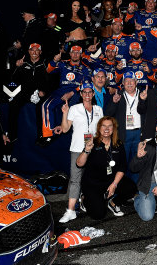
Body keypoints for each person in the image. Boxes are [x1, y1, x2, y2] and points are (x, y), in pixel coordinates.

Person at [57, 81, 104, 223]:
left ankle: (87, 201)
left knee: (93, 178)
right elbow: (65, 129)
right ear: (81, 94)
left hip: (95, 149)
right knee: (75, 180)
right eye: (85, 92)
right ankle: (71, 210)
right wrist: (64, 114)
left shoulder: (98, 109)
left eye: (90, 92)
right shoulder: (74, 108)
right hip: (78, 149)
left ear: (93, 94)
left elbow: (101, 130)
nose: (88, 95)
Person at [76, 116, 136, 219]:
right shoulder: (92, 143)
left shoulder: (118, 144)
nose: (106, 129)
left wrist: (114, 184)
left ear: (113, 129)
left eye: (110, 126)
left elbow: (122, 167)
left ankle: (113, 203)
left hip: (110, 180)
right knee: (98, 215)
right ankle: (84, 198)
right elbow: (79, 164)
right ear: (99, 128)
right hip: (93, 183)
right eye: (103, 126)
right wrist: (86, 150)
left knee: (131, 188)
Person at [42, 45, 92, 140]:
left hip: (76, 93)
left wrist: (72, 93)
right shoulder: (62, 63)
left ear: (81, 55)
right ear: (70, 53)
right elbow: (48, 70)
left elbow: (86, 84)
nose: (75, 54)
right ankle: (48, 135)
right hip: (61, 91)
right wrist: (54, 60)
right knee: (46, 105)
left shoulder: (85, 68)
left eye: (78, 53)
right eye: (73, 52)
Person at [8, 43, 49, 142]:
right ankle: (12, 135)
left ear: (40, 52)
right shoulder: (23, 63)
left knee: (42, 107)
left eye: (37, 50)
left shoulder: (45, 64)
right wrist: (17, 66)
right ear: (29, 51)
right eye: (32, 50)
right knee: (13, 105)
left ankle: (41, 136)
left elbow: (50, 81)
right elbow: (13, 79)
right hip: (25, 93)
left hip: (39, 93)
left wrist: (44, 91)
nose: (34, 52)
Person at [106, 71, 142, 183]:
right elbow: (108, 113)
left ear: (136, 82)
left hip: (138, 133)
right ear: (123, 83)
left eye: (132, 81)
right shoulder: (118, 95)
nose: (130, 83)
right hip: (123, 133)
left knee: (137, 162)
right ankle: (123, 188)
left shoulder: (143, 94)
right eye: (127, 81)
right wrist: (113, 102)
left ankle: (136, 188)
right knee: (123, 162)